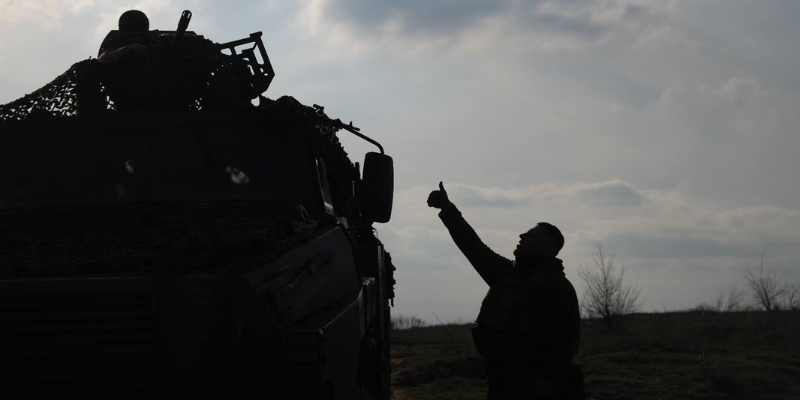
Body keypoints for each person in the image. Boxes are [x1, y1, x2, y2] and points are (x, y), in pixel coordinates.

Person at [427, 182, 584, 399]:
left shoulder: (557, 286)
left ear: (545, 247)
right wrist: (448, 210)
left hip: (533, 386)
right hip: (501, 379)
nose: (521, 236)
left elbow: (567, 339)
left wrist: (546, 379)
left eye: (529, 235)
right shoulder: (507, 273)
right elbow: (473, 247)